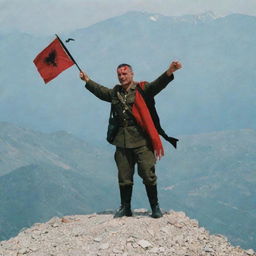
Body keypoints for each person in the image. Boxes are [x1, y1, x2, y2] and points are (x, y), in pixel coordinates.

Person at [80, 61, 182, 218]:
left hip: (142, 141)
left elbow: (157, 85)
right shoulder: (116, 93)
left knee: (148, 174)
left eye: (125, 73)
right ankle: (125, 207)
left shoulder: (142, 89)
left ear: (132, 74)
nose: (122, 76)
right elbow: (101, 92)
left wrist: (170, 71)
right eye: (119, 74)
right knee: (124, 176)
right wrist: (87, 80)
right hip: (122, 141)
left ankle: (155, 207)